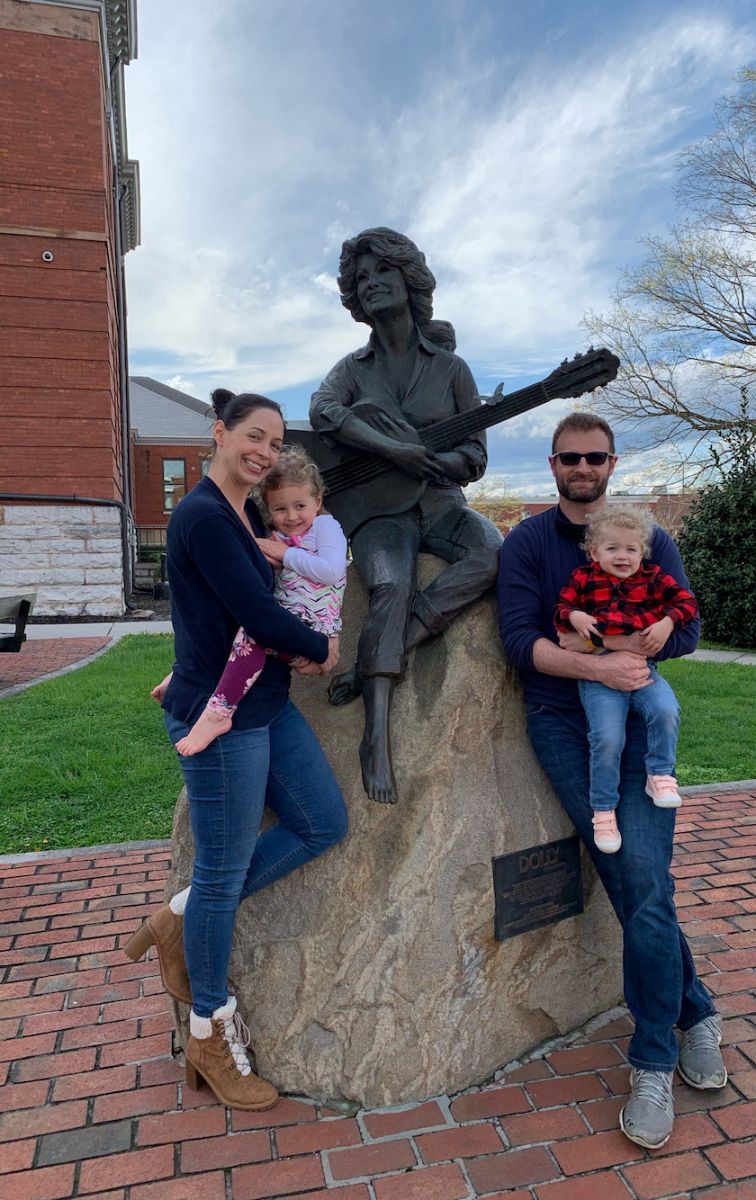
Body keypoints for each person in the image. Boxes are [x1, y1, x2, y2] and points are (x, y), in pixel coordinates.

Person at [497, 412, 725, 1150]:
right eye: (571, 457)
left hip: (641, 730)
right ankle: (696, 1011)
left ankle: (654, 1056)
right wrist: (596, 662)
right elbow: (519, 641)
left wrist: (648, 641)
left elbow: (685, 630)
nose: (584, 467)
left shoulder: (652, 537)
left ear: (613, 462)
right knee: (634, 880)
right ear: (555, 463)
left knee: (644, 883)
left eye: (596, 456)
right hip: (568, 728)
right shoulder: (530, 543)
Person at [124, 389, 347, 1112]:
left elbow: (206, 614)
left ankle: (176, 915)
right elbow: (255, 614)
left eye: (274, 443)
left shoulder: (245, 515)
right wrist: (323, 649)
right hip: (225, 721)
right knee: (223, 873)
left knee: (323, 821)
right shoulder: (204, 516)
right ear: (219, 434)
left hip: (265, 705)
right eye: (253, 435)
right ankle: (209, 1034)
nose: (264, 451)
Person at [309, 227, 503, 805]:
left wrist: (434, 461)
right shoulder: (352, 367)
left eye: (381, 274)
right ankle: (375, 738)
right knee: (388, 583)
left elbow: (475, 457)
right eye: (361, 279)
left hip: (440, 506)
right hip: (377, 516)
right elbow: (323, 410)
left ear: (409, 280)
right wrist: (392, 449)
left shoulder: (452, 369)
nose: (370, 285)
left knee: (493, 552)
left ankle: (390, 648)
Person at [167, 449, 347, 756]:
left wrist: (284, 555)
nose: (291, 516)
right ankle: (182, 677)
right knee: (250, 632)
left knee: (253, 635)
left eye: (300, 505)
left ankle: (218, 712)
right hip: (290, 623)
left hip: (314, 622)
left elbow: (331, 570)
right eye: (280, 508)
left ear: (317, 501)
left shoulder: (324, 527)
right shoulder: (280, 535)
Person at [554, 503, 698, 854]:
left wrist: (666, 623)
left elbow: (687, 603)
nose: (623, 556)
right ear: (594, 552)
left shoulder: (652, 578)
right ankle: (603, 812)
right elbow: (560, 609)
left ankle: (660, 775)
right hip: (598, 675)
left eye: (631, 549)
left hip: (640, 667)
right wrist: (575, 616)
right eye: (612, 548)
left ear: (642, 552)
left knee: (666, 709)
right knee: (608, 739)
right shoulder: (583, 579)